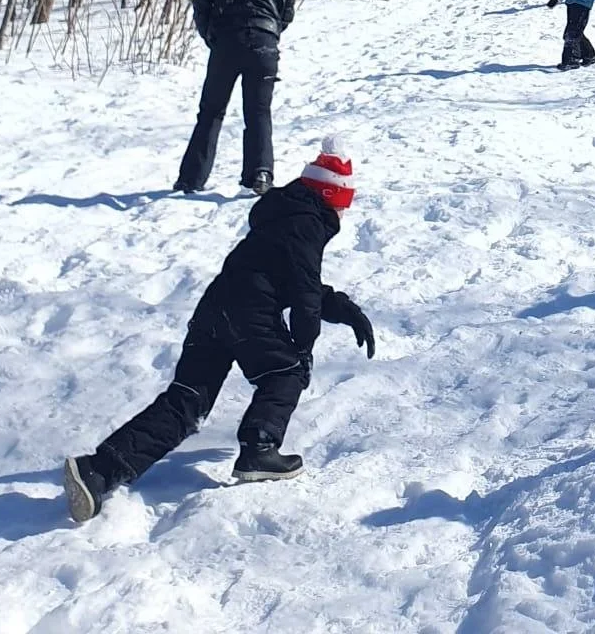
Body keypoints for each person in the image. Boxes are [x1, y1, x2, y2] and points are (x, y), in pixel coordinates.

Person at [63, 138, 375, 523]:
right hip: (250, 312)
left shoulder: (287, 214)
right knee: (287, 371)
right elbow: (305, 295)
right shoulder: (308, 223)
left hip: (214, 308)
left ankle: (98, 471)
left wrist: (343, 308)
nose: (344, 213)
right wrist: (304, 349)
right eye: (345, 203)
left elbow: (297, 281)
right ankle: (259, 448)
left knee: (187, 401)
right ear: (331, 195)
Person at [176, 0, 296, 196]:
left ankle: (190, 179)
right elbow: (286, 14)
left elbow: (200, 2)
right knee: (258, 112)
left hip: (226, 46)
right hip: (264, 48)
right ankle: (260, 173)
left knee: (211, 112)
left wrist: (211, 34)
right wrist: (270, 32)